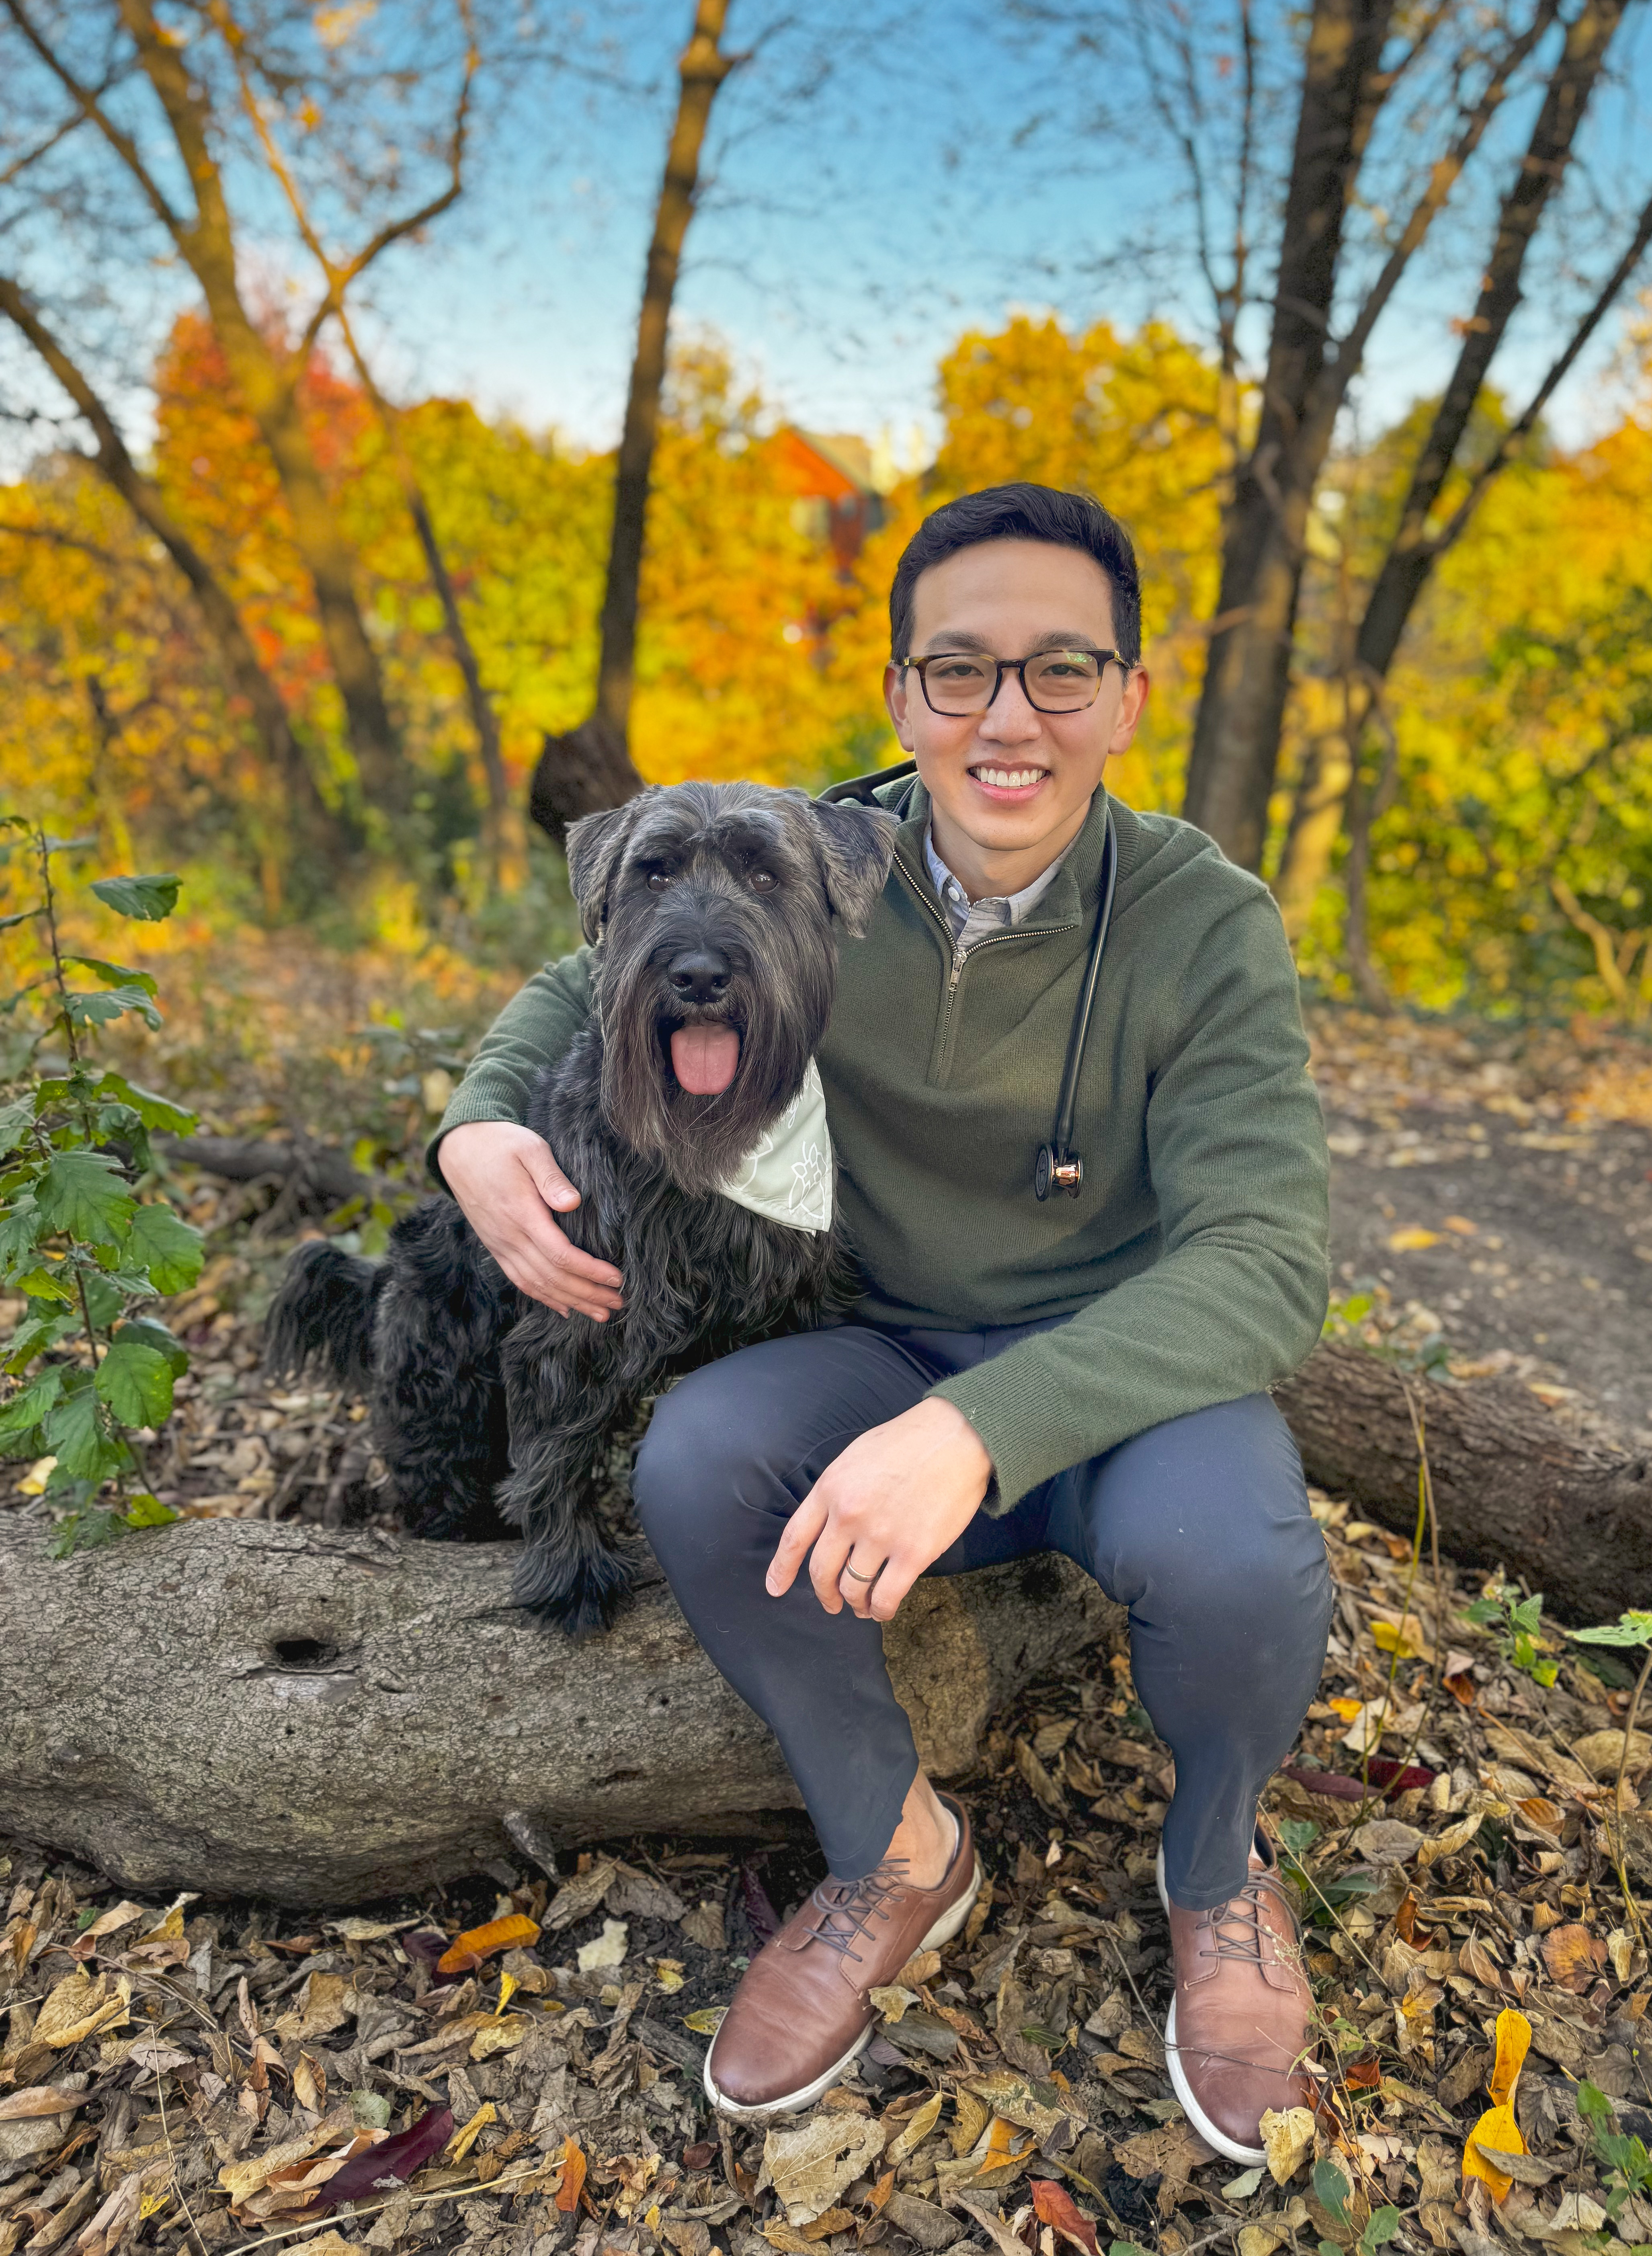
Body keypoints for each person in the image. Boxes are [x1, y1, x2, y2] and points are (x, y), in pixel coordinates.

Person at [429, 482, 1333, 2158]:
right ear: (905, 695)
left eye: (1063, 671)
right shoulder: (813, 852)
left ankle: (1217, 1875)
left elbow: (1272, 1262)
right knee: (697, 1459)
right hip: (881, 1338)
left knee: (1235, 1559)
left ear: (1129, 697)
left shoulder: (1210, 925)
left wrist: (979, 1432)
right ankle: (893, 1851)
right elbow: (585, 980)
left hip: (1122, 1373)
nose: (1009, 718)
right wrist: (477, 1122)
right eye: (961, 671)